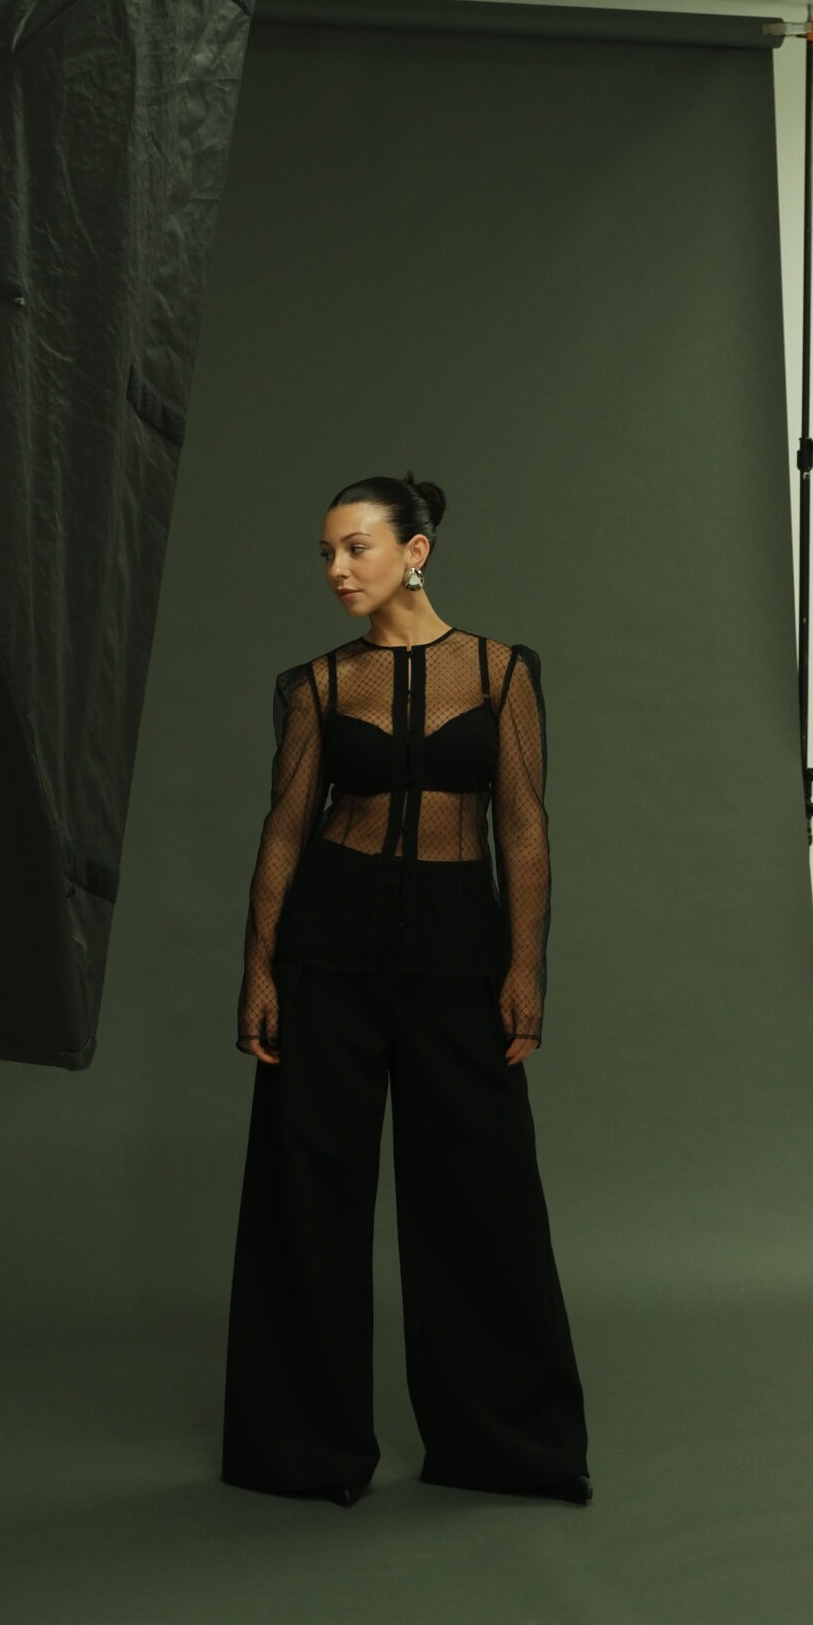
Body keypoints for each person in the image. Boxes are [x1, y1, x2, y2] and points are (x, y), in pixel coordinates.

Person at [221, 471, 590, 1509]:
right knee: (308, 1195)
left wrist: (525, 965)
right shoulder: (319, 684)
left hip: (457, 951)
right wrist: (260, 968)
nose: (338, 569)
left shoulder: (503, 671)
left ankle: (504, 1446)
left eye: (358, 548)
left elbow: (523, 826)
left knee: (480, 1195)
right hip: (328, 951)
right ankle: (302, 1451)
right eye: (328, 554)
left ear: (414, 551)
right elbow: (284, 831)